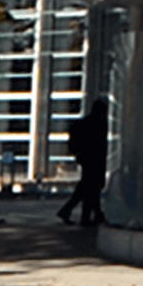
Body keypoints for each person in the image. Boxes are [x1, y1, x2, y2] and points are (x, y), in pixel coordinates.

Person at [57, 96, 109, 227]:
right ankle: (86, 216)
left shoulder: (85, 123)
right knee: (90, 189)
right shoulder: (98, 124)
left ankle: (91, 214)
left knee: (88, 189)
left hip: (87, 160)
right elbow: (100, 145)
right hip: (95, 161)